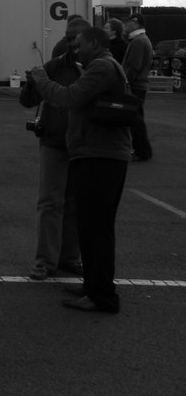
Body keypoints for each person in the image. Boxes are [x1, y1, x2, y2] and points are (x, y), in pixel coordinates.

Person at [30, 25, 132, 314]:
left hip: (101, 155)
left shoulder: (101, 67)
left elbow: (69, 98)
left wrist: (40, 79)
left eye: (80, 45)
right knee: (90, 226)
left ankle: (102, 295)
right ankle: (93, 285)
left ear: (96, 44)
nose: (76, 50)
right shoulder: (102, 65)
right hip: (95, 153)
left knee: (96, 228)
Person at [19, 17, 89, 281]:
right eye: (69, 38)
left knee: (74, 202)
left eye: (77, 39)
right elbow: (27, 100)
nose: (72, 44)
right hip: (56, 140)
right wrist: (31, 83)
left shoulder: (96, 68)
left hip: (81, 143)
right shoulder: (57, 65)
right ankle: (46, 261)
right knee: (51, 202)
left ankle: (68, 257)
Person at [121, 13, 153, 161]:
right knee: (136, 119)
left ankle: (143, 151)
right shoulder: (141, 40)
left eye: (128, 23)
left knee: (136, 120)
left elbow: (134, 67)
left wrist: (125, 82)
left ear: (135, 24)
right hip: (139, 85)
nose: (125, 25)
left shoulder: (138, 42)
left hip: (136, 86)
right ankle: (141, 150)